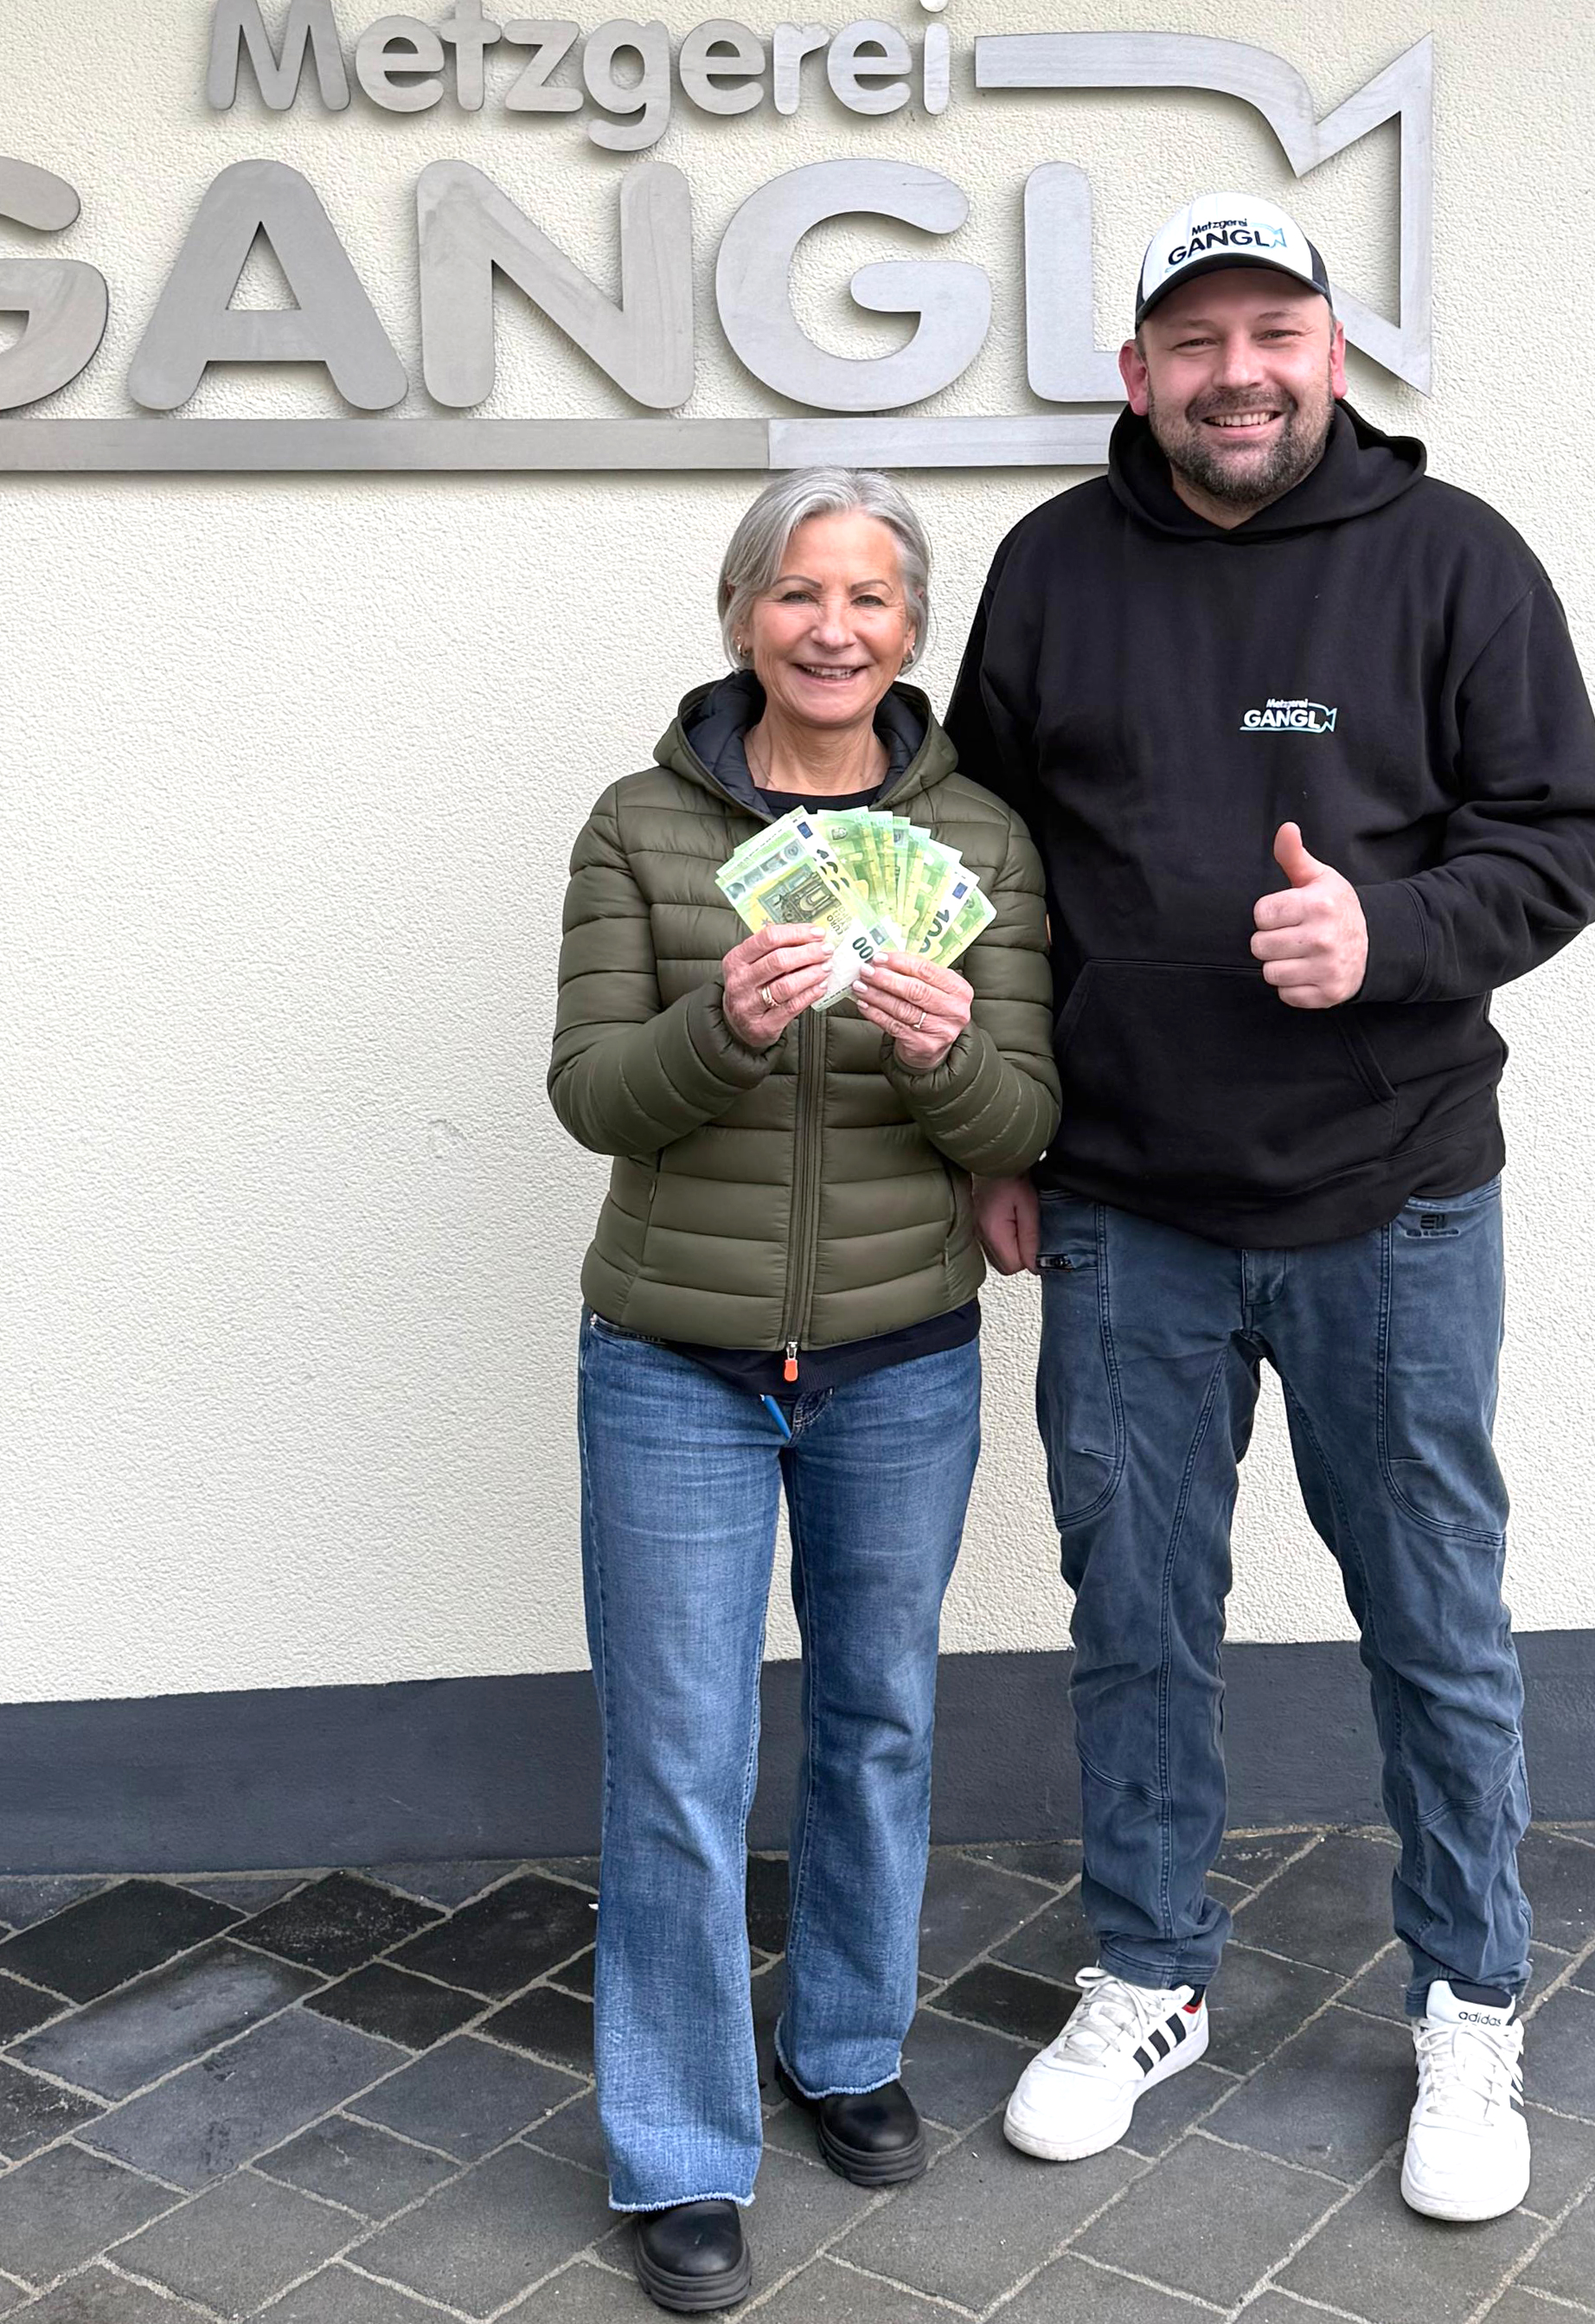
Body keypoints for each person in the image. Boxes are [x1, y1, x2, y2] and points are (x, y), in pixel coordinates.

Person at [947, 193, 1595, 2225]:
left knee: (1429, 1614)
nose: (1233, 373)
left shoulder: (1453, 559)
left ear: (1331, 350)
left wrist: (1387, 934)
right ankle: (1150, 1970)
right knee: (1136, 1613)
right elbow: (980, 863)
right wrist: (993, 1135)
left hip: (1387, 1201)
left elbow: (1560, 839)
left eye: (1271, 332)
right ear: (1134, 372)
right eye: (1193, 340)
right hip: (1123, 1206)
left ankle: (1469, 1997)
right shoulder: (1052, 569)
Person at [550, 469, 1058, 2311]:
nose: (831, 628)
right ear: (741, 615)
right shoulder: (639, 826)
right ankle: (681, 2151)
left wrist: (942, 1055)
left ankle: (844, 2048)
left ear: (912, 629)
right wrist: (726, 1025)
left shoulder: (981, 839)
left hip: (899, 1360)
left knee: (877, 1726)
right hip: (671, 1365)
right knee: (678, 1763)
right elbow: (591, 1095)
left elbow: (1022, 1121)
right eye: (794, 592)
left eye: (868, 597)